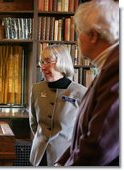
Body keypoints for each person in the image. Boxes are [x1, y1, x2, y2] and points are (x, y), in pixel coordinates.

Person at [55, 0, 119, 166]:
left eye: (78, 32)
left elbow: (98, 146)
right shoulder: (108, 66)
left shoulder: (117, 68)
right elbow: (82, 136)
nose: (77, 39)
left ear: (93, 36)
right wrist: (61, 163)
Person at [29, 44, 87, 166]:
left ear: (61, 63)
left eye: (48, 62)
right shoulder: (36, 89)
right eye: (41, 62)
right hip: (39, 157)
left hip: (65, 159)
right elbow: (34, 123)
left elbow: (85, 131)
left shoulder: (81, 93)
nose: (43, 67)